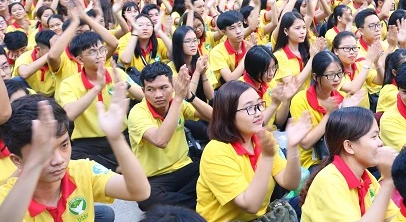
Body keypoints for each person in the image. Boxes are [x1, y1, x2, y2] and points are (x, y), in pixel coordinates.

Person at [0, 94, 150, 222]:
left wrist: (116, 139)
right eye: (44, 153)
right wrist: (34, 166)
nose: (58, 159)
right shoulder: (7, 197)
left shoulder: (82, 171)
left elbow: (140, 192)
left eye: (64, 145)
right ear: (17, 161)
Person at [196, 80, 312, 221]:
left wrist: (293, 147)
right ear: (228, 115)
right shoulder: (216, 151)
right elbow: (250, 205)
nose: (258, 113)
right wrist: (267, 157)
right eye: (249, 108)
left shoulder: (262, 137)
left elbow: (290, 183)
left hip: (261, 217)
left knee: (314, 198)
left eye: (258, 105)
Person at [128, 62, 212, 211]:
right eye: (151, 90)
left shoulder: (176, 102)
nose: (158, 95)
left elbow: (214, 117)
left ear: (172, 87)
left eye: (163, 87)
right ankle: (200, 204)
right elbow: (160, 140)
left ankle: (183, 207)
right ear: (143, 90)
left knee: (214, 169)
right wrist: (179, 98)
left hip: (185, 167)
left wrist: (189, 95)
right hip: (155, 178)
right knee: (147, 198)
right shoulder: (137, 113)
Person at [57, 32, 143, 170]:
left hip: (121, 135)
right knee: (77, 162)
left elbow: (143, 96)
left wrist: (125, 84)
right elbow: (70, 114)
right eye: (92, 52)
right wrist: (97, 87)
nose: (100, 55)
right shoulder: (69, 83)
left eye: (102, 50)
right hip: (88, 144)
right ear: (80, 60)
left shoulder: (117, 73)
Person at [300, 107, 399, 221]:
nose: (380, 143)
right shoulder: (329, 182)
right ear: (349, 146)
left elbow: (393, 217)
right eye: (374, 137)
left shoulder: (365, 176)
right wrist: (388, 182)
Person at [290, 51, 365, 171]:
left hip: (339, 155)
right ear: (315, 77)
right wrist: (331, 114)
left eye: (340, 74)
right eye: (330, 75)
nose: (336, 79)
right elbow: (305, 143)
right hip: (312, 161)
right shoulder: (300, 100)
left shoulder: (341, 97)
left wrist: (348, 112)